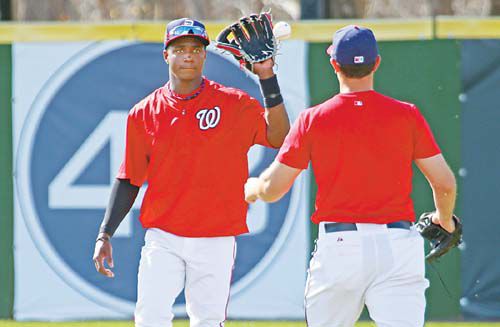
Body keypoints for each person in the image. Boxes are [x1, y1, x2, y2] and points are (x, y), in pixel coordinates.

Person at [244, 25, 457, 327]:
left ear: (333, 64)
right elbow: (444, 183)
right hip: (398, 246)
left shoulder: (313, 119)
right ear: (377, 63)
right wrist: (444, 219)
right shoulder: (406, 114)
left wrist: (252, 188)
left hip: (341, 246)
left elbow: (273, 188)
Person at [92, 18, 290, 327]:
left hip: (217, 235)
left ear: (204, 56)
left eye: (196, 49)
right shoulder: (143, 113)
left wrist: (267, 77)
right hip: (164, 236)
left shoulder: (233, 103)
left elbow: (278, 137)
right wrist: (105, 233)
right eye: (180, 49)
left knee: (208, 321)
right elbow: (130, 178)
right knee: (150, 318)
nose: (188, 56)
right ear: (166, 55)